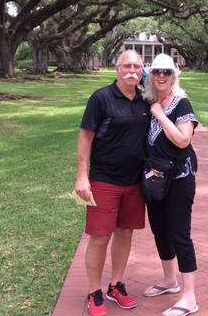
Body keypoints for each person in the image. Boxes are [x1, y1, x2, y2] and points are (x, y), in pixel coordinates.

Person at [74, 50, 150, 316]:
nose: (132, 70)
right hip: (104, 179)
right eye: (127, 65)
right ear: (117, 68)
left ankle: (116, 285)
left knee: (125, 233)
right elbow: (85, 137)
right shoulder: (101, 98)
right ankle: (94, 291)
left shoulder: (145, 99)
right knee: (99, 237)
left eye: (137, 66)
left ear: (142, 70)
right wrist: (82, 176)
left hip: (135, 182)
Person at [142, 53, 199, 316]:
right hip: (155, 179)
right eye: (157, 72)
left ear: (174, 75)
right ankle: (169, 281)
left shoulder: (180, 103)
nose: (162, 76)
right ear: (151, 76)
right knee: (160, 230)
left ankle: (189, 297)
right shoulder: (148, 101)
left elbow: (183, 140)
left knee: (179, 233)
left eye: (166, 72)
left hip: (179, 179)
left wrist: (160, 114)